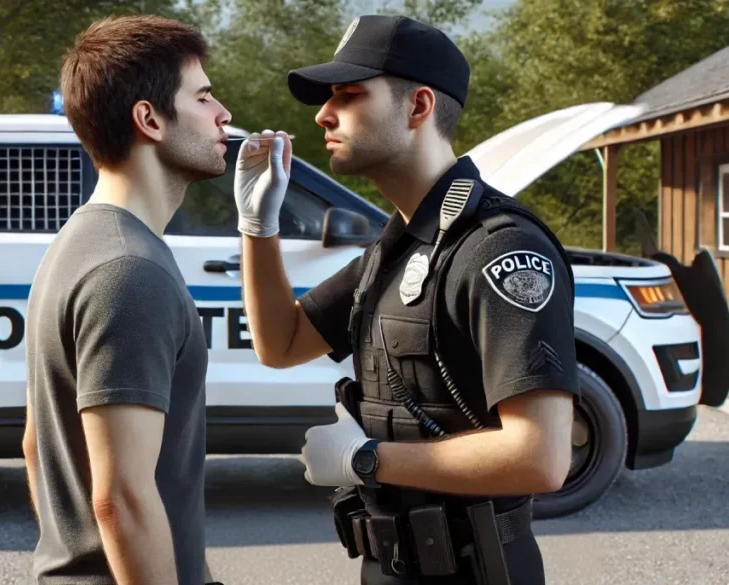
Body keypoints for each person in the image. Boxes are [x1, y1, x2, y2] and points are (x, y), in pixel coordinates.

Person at [233, 14, 578, 585]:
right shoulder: (395, 247)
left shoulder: (498, 248)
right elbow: (281, 342)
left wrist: (365, 458)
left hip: (475, 569)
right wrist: (257, 227)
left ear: (418, 107)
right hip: (393, 564)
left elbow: (541, 456)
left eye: (347, 95)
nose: (323, 114)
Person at [22, 14, 230, 585]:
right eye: (205, 97)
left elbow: (36, 446)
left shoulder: (78, 244)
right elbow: (123, 502)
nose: (224, 114)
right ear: (150, 119)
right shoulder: (129, 272)